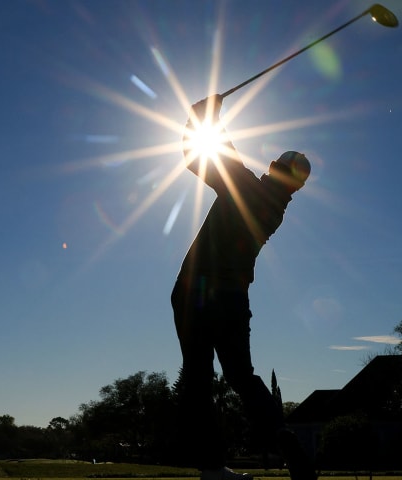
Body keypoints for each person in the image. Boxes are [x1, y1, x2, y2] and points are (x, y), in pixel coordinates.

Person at [171, 94, 317, 480]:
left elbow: (197, 154)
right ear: (298, 186)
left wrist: (203, 115)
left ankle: (212, 466)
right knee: (242, 377)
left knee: (199, 379)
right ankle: (280, 433)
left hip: (195, 292)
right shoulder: (275, 208)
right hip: (234, 297)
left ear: (272, 166)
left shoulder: (248, 188)